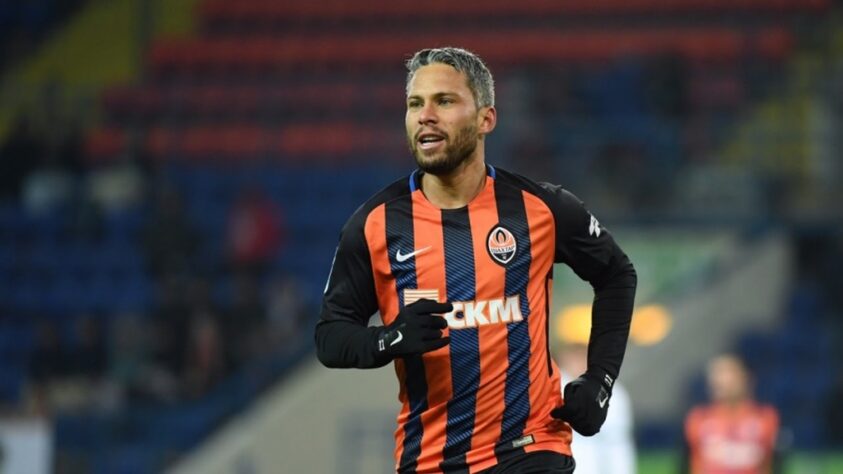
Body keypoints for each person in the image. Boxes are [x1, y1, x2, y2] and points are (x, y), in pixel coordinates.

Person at [315, 47, 637, 473]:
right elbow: (331, 336)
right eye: (415, 104)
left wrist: (600, 380)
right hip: (429, 460)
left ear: (486, 118)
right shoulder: (375, 225)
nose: (425, 115)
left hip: (531, 447)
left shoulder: (541, 209)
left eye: (444, 101)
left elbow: (617, 275)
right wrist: (388, 339)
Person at [682, 354, 781, 474]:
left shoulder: (766, 417)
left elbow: (774, 464)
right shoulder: (698, 418)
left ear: (746, 378)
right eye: (715, 373)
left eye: (727, 372)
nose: (718, 379)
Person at [555, 340, 636, 474]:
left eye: (582, 355)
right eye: (574, 356)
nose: (578, 361)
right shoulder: (550, 390)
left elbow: (619, 443)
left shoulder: (614, 393)